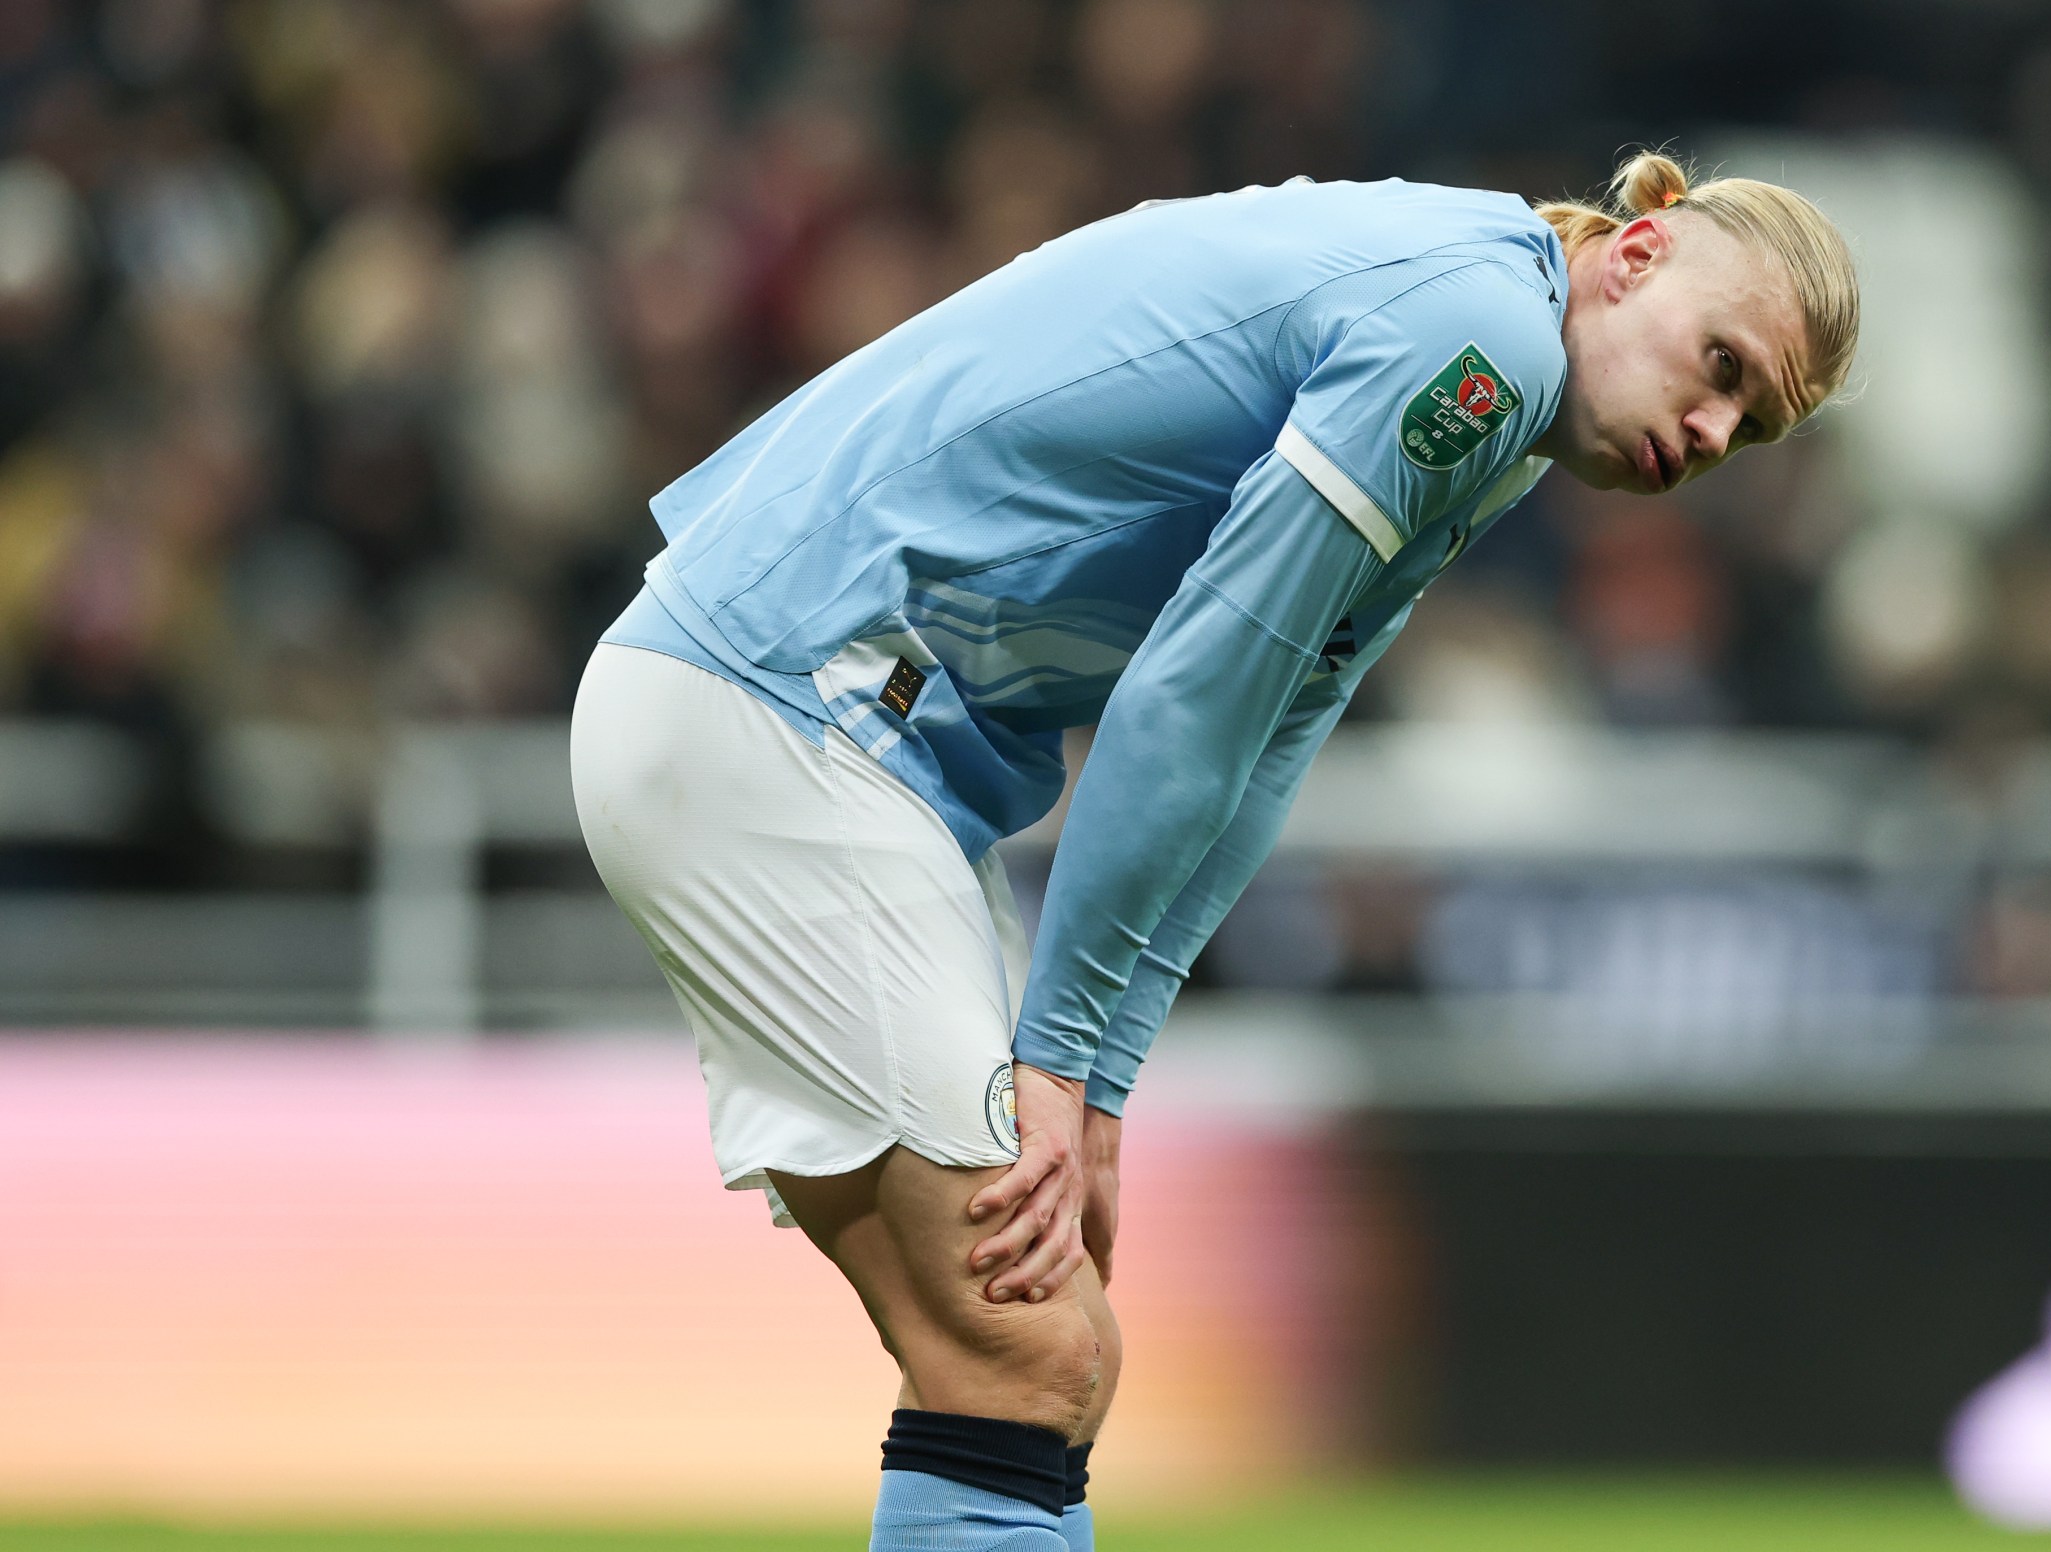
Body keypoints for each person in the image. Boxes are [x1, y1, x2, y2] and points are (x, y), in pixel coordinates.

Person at [569, 149, 1858, 1551]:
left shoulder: (1495, 360)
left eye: (1752, 421)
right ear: (1638, 251)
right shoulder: (1473, 342)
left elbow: (1269, 740)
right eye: (1721, 364)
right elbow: (1191, 698)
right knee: (1029, 1354)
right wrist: (1058, 1054)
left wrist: (1103, 1076)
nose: (1717, 428)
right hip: (785, 708)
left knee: (1046, 1361)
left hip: (830, 735)